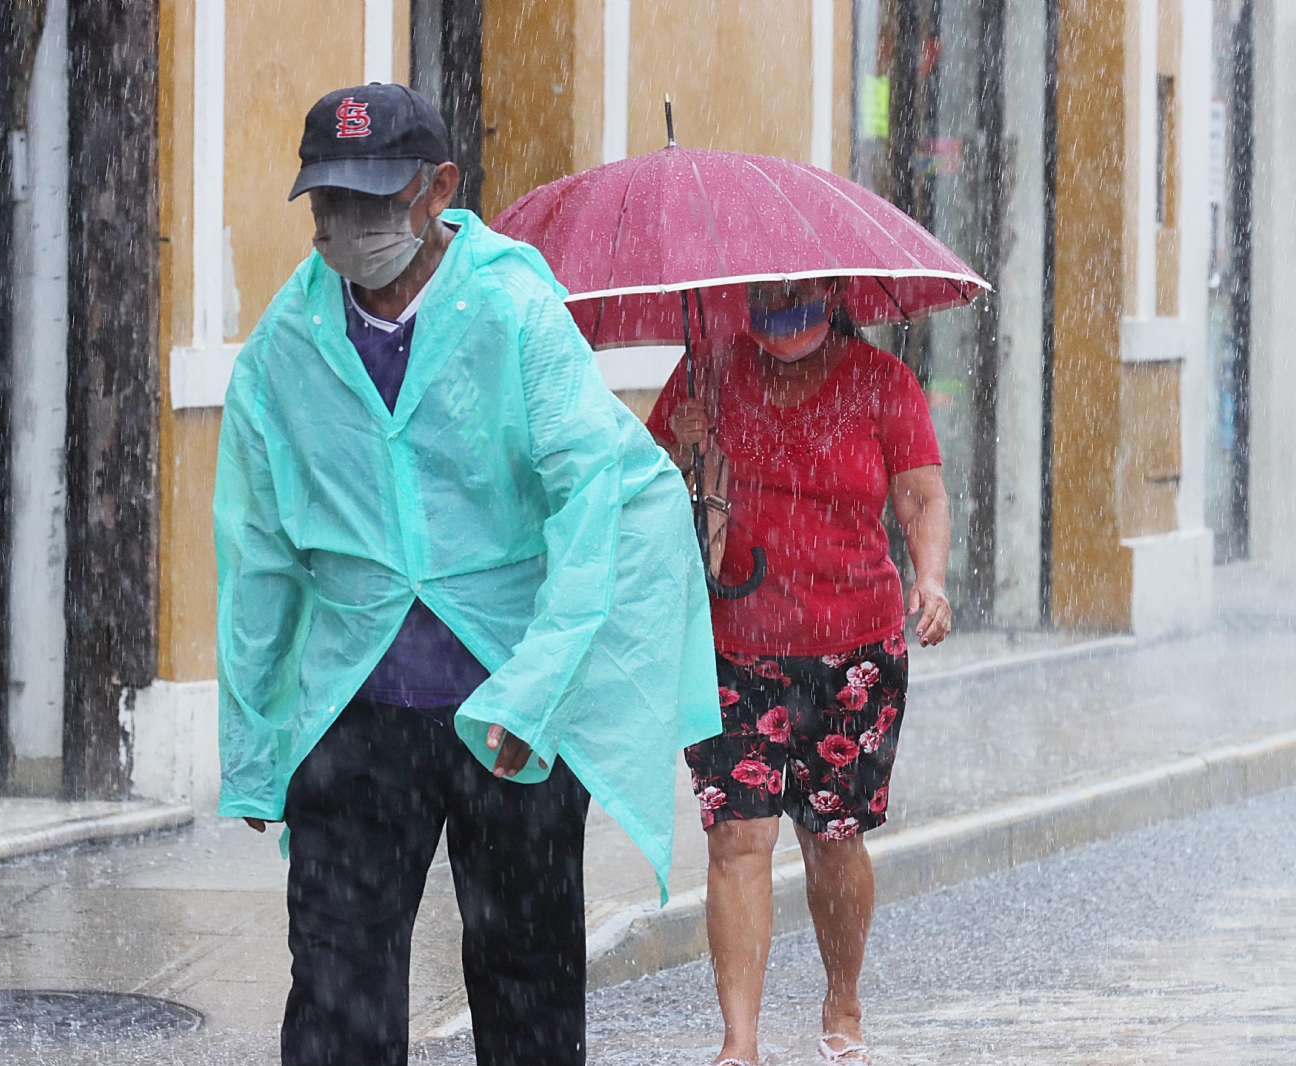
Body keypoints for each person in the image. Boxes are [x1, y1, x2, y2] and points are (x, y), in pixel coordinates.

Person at [214, 83, 720, 1066]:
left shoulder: (514, 316)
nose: (349, 227)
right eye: (329, 205)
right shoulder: (288, 346)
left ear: (437, 187)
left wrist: (536, 688)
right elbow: (260, 548)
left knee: (524, 990)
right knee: (335, 1000)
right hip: (354, 715)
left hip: (510, 711)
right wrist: (251, 741)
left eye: (372, 201)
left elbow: (590, 507)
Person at [647, 278, 952, 1066]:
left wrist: (931, 579)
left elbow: (919, 496)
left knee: (832, 838)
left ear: (831, 295)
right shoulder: (707, 372)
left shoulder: (883, 383)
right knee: (738, 839)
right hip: (733, 641)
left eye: (798, 300)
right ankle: (738, 1043)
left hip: (854, 648)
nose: (781, 321)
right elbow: (643, 483)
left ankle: (842, 999)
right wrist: (681, 444)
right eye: (766, 301)